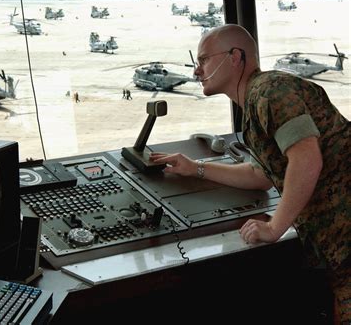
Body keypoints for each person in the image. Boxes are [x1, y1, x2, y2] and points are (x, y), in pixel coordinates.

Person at [149, 24, 350, 323]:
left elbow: (307, 159)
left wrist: (273, 227)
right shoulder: (255, 106)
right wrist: (196, 168)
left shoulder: (270, 91)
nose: (196, 71)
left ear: (235, 57)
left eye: (203, 60)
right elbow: (261, 175)